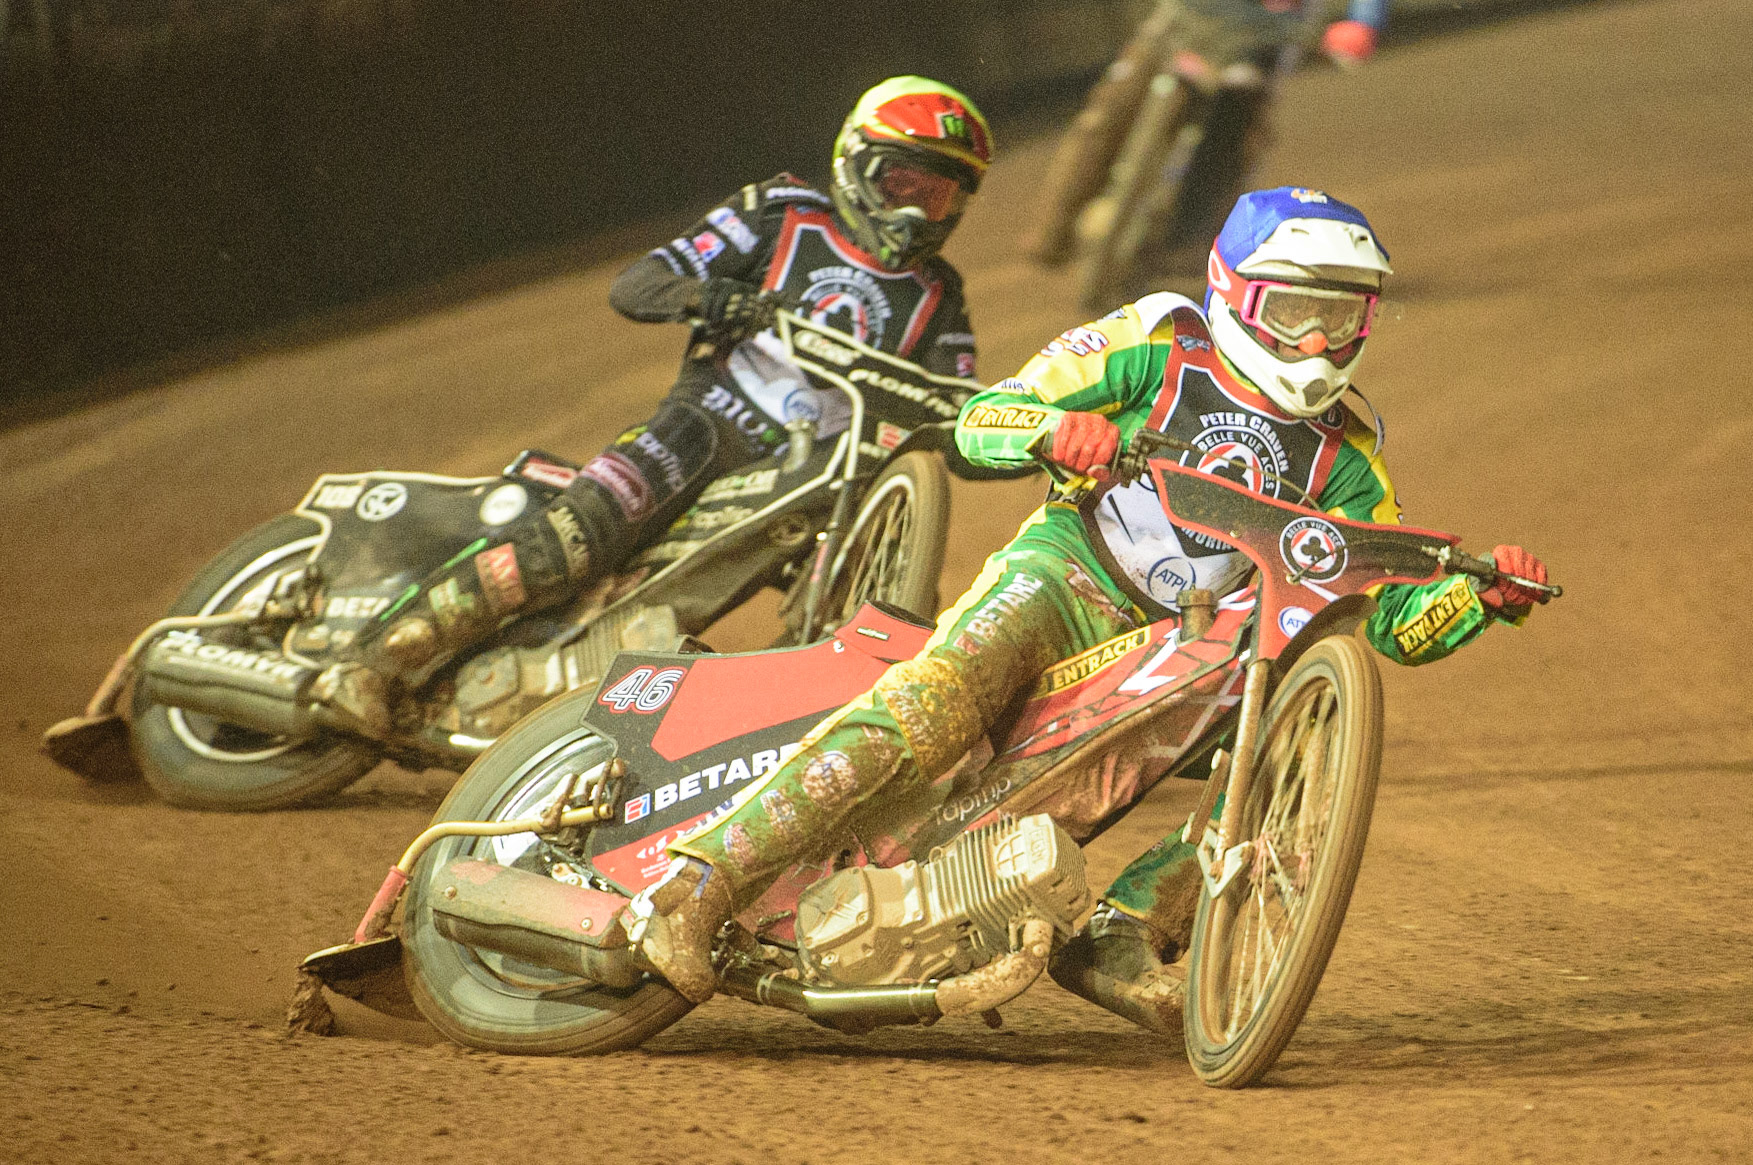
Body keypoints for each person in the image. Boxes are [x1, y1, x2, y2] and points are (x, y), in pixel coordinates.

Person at [627, 187, 1551, 1031]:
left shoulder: (1351, 455)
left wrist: (1474, 598)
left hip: (1179, 644)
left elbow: (1386, 616)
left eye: (1339, 318)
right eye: (1293, 313)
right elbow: (983, 418)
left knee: (1272, 764)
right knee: (938, 702)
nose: (1314, 343)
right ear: (1232, 293)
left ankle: (1119, 933)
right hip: (1068, 571)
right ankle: (703, 882)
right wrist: (1051, 429)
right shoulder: (1157, 338)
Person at [314, 77, 994, 732]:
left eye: (935, 197)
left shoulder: (939, 295)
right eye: (900, 184)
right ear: (855, 164)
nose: (912, 212)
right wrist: (709, 296)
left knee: (888, 605)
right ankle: (373, 662)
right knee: (578, 535)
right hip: (709, 423)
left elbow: (954, 405)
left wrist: (1015, 431)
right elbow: (638, 284)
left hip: (816, 481)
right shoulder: (781, 212)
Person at [1025, 0, 1388, 270]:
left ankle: (1191, 246)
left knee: (1239, 136)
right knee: (1109, 112)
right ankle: (1054, 230)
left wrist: (1363, 22)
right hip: (1192, 17)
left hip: (1264, 38)